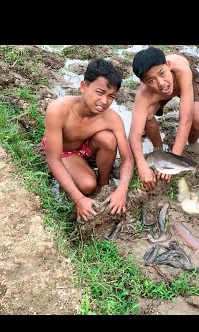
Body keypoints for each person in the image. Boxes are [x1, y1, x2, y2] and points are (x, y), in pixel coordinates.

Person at [43, 58, 134, 222]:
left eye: (111, 96)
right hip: (63, 151)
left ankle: (103, 184)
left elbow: (127, 158)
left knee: (108, 139)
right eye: (99, 92)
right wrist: (79, 200)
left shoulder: (112, 119)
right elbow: (53, 159)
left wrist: (122, 189)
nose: (104, 102)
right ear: (84, 87)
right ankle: (86, 181)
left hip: (86, 146)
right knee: (86, 186)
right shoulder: (58, 110)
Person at [129, 46, 199, 191]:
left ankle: (192, 145)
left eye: (162, 73)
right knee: (147, 116)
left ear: (168, 65)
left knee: (197, 118)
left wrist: (173, 160)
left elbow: (185, 119)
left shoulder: (182, 71)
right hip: (158, 94)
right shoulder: (144, 94)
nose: (161, 82)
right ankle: (159, 149)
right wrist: (142, 165)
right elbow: (134, 135)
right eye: (151, 80)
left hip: (186, 82)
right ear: (143, 82)